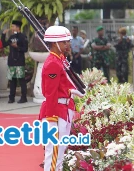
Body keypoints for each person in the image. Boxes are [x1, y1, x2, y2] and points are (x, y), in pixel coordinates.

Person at [39, 26, 83, 171]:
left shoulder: (60, 59)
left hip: (63, 108)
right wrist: (51, 118)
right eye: (64, 42)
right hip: (55, 112)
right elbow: (50, 93)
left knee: (60, 151)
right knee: (53, 152)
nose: (67, 44)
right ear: (54, 44)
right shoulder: (53, 63)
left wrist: (73, 91)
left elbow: (62, 85)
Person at [4, 20, 28, 103]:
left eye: (13, 26)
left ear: (18, 27)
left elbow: (25, 49)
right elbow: (4, 44)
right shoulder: (11, 37)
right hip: (11, 61)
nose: (12, 28)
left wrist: (17, 47)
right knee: (12, 80)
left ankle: (24, 97)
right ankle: (11, 97)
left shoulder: (23, 36)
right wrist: (3, 35)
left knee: (21, 80)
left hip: (19, 61)